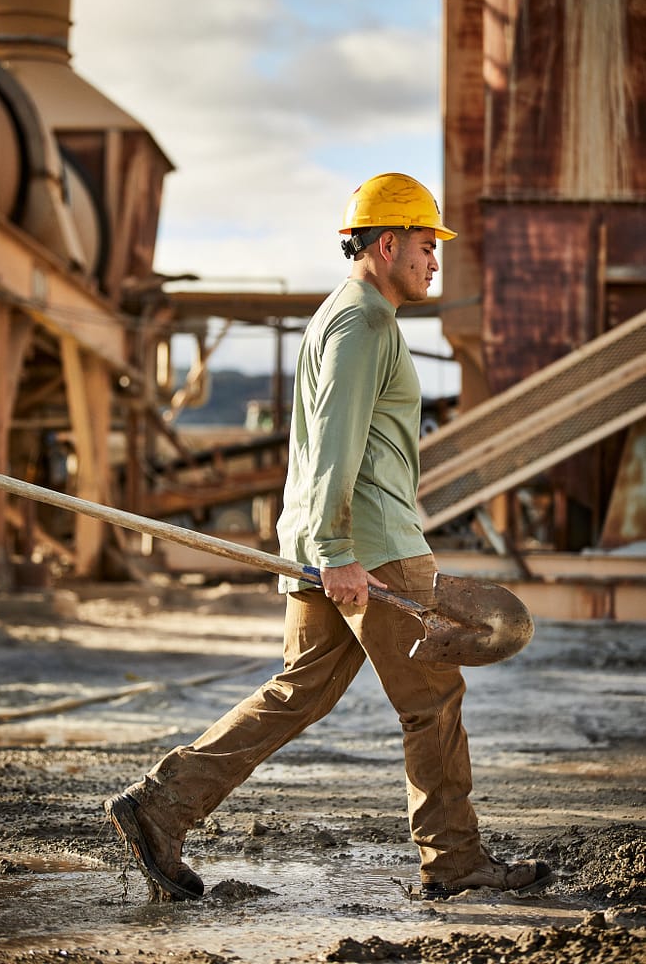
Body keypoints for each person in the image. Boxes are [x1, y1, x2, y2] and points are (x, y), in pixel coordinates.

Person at [105, 172, 551, 902]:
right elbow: (335, 445)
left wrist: (323, 547)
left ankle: (161, 806)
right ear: (386, 244)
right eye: (425, 245)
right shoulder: (363, 323)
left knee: (298, 694)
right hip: (370, 548)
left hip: (335, 543)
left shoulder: (345, 317)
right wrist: (339, 552)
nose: (435, 260)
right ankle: (455, 862)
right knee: (433, 700)